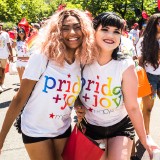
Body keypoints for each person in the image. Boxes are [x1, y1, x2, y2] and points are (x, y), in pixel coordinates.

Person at [0, 9, 96, 160]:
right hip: (35, 129)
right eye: (65, 28)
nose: (72, 32)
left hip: (62, 128)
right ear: (56, 32)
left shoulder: (81, 61)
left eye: (77, 27)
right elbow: (19, 99)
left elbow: (72, 92)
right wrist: (1, 139)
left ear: (84, 30)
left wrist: (77, 104)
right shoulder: (42, 57)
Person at [76, 12, 158, 160]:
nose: (111, 35)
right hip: (90, 127)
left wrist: (145, 140)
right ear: (94, 31)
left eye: (116, 32)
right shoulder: (81, 60)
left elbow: (132, 106)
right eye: (105, 29)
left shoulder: (125, 65)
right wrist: (78, 104)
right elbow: (72, 90)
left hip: (120, 127)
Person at [134, 13, 160, 159]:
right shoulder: (144, 41)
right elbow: (140, 61)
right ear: (153, 24)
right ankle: (146, 135)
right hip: (150, 77)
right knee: (148, 108)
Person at [0, 22, 13, 93]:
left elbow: (8, 45)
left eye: (0, 25)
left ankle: (2, 83)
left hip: (4, 55)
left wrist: (11, 54)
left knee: (3, 70)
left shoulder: (5, 34)